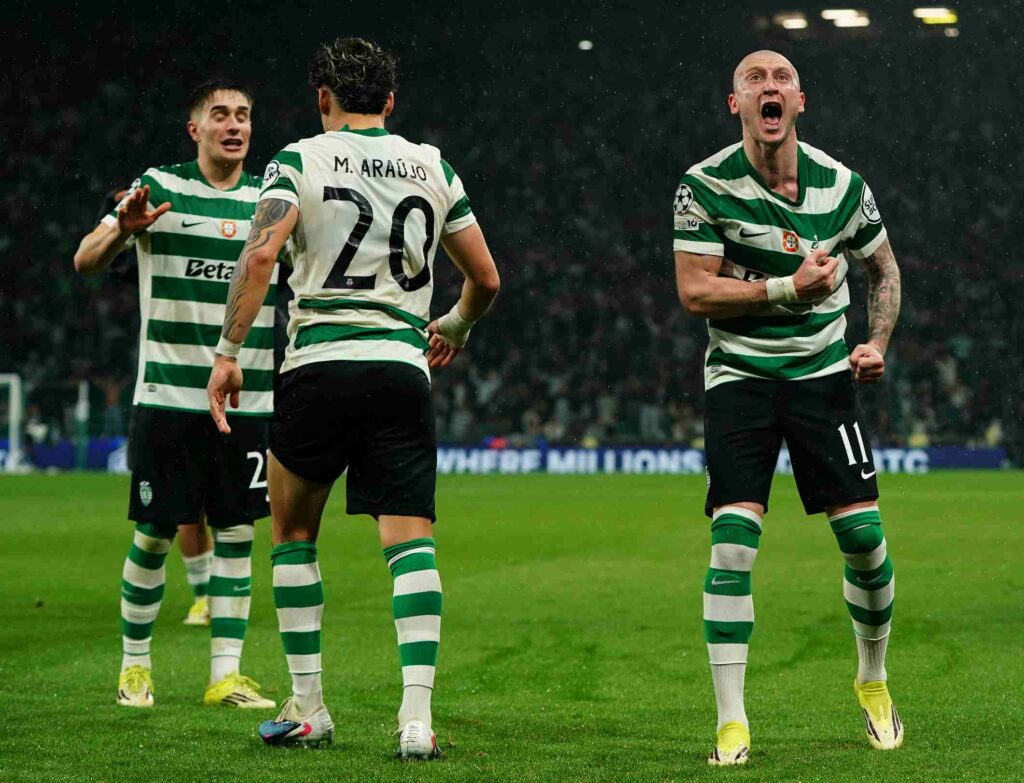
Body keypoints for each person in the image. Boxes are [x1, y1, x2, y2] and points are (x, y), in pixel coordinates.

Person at [207, 37, 500, 759]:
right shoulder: (434, 166)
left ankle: (309, 705)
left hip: (318, 367)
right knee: (411, 546)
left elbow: (262, 254)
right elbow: (486, 278)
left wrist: (227, 355)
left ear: (322, 99)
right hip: (401, 368)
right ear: (391, 101)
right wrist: (455, 327)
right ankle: (416, 720)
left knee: (294, 537)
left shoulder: (297, 159)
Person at [673, 50, 903, 765]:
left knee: (864, 538)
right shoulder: (703, 185)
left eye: (780, 81)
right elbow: (694, 291)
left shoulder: (842, 187)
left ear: (799, 101)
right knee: (733, 542)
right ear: (733, 102)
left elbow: (884, 268)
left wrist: (876, 340)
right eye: (754, 81)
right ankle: (732, 721)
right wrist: (784, 291)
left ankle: (873, 678)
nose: (768, 88)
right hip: (739, 378)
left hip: (822, 375)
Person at [73, 79, 278, 710]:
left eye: (243, 115)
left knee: (239, 534)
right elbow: (85, 259)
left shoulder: (272, 200)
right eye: (220, 115)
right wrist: (122, 231)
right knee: (155, 531)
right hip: (166, 395)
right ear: (196, 130)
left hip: (249, 400)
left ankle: (226, 675)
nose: (234, 124)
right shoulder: (159, 187)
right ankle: (135, 669)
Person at [94, 186, 216, 628]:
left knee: (221, 511)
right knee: (181, 510)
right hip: (168, 380)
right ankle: (206, 596)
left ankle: (213, 595)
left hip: (226, 374)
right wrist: (119, 217)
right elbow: (97, 257)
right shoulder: (142, 250)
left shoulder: (185, 235)